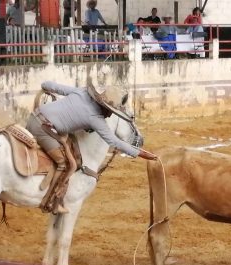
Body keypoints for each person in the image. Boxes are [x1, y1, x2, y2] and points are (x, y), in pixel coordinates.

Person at [26, 82, 158, 214]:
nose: (110, 115)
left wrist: (46, 89)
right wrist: (139, 153)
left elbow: (48, 85)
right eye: (111, 111)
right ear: (105, 107)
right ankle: (48, 201)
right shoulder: (95, 118)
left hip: (34, 117)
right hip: (42, 129)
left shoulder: (81, 92)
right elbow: (113, 141)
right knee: (66, 164)